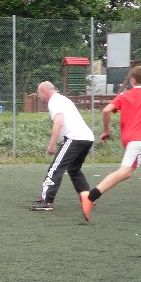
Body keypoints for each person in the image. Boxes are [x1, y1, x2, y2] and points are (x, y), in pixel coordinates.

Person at [81, 65, 141, 221]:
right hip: (138, 141)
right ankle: (90, 197)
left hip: (133, 141)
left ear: (133, 80)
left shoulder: (124, 95)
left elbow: (106, 110)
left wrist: (106, 131)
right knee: (125, 172)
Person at [29, 81, 94, 211]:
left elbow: (58, 123)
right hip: (87, 138)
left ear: (44, 91)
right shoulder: (63, 99)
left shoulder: (54, 101)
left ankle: (46, 202)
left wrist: (51, 145)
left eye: (39, 93)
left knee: (55, 168)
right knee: (74, 169)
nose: (39, 97)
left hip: (75, 137)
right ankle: (88, 198)